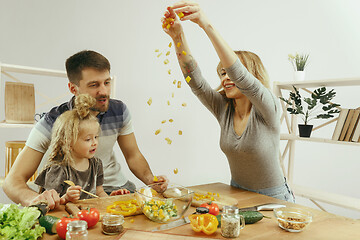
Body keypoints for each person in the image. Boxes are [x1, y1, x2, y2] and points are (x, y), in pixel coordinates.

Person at [162, 1, 294, 202]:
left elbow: (239, 75)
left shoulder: (268, 107)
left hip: (274, 199)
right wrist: (178, 37)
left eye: (230, 71)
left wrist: (205, 24)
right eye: (222, 73)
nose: (226, 77)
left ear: (252, 77)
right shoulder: (224, 109)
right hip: (237, 193)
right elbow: (194, 80)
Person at [3, 50, 168, 209]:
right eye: (94, 85)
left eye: (107, 82)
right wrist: (36, 199)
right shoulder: (53, 121)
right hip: (78, 197)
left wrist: (151, 181)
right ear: (73, 89)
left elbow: (133, 156)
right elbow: (12, 182)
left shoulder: (119, 111)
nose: (103, 91)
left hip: (119, 190)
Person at [35, 94, 130, 202]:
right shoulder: (59, 170)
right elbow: (50, 203)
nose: (94, 142)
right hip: (66, 217)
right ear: (69, 143)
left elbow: (99, 193)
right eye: (88, 139)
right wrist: (66, 198)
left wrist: (112, 197)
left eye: (96, 137)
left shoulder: (96, 164)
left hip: (88, 215)